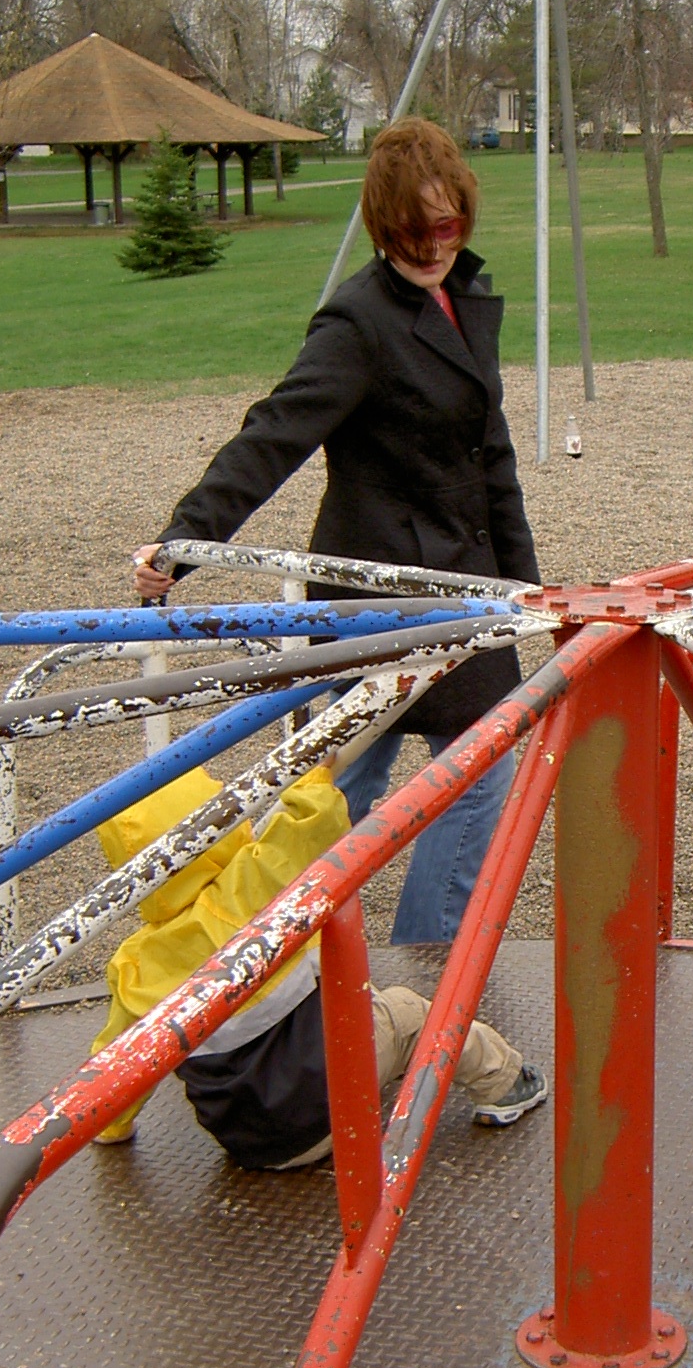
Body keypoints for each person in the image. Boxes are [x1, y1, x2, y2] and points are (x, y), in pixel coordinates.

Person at [130, 117, 542, 945]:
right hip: (380, 590)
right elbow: (273, 434)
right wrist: (185, 539)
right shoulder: (358, 322)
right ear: (384, 228)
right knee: (345, 787)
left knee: (465, 770)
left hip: (463, 581)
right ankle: (282, 954)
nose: (434, 246)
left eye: (448, 226)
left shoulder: (462, 297)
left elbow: (488, 453)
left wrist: (528, 591)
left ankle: (418, 962)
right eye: (414, 232)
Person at [90, 762, 546, 1170]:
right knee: (408, 1014)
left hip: (249, 1143)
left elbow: (118, 1065)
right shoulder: (254, 882)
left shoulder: (135, 964)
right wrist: (314, 767)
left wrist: (110, 1126)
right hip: (331, 1110)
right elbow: (317, 819)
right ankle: (505, 1082)